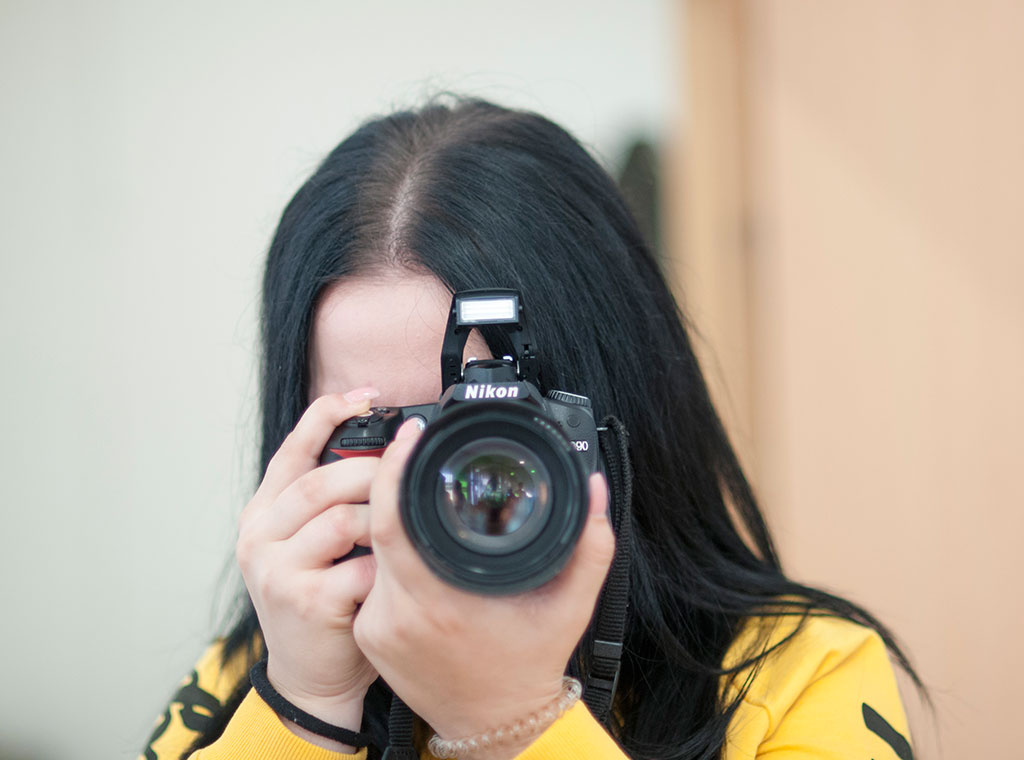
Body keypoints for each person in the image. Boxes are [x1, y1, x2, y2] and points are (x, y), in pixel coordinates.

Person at [140, 98, 923, 760]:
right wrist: (305, 709)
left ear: (610, 413)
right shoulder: (254, 677)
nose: (440, 477)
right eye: (378, 426)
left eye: (486, 423)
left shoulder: (797, 674)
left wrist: (513, 721)